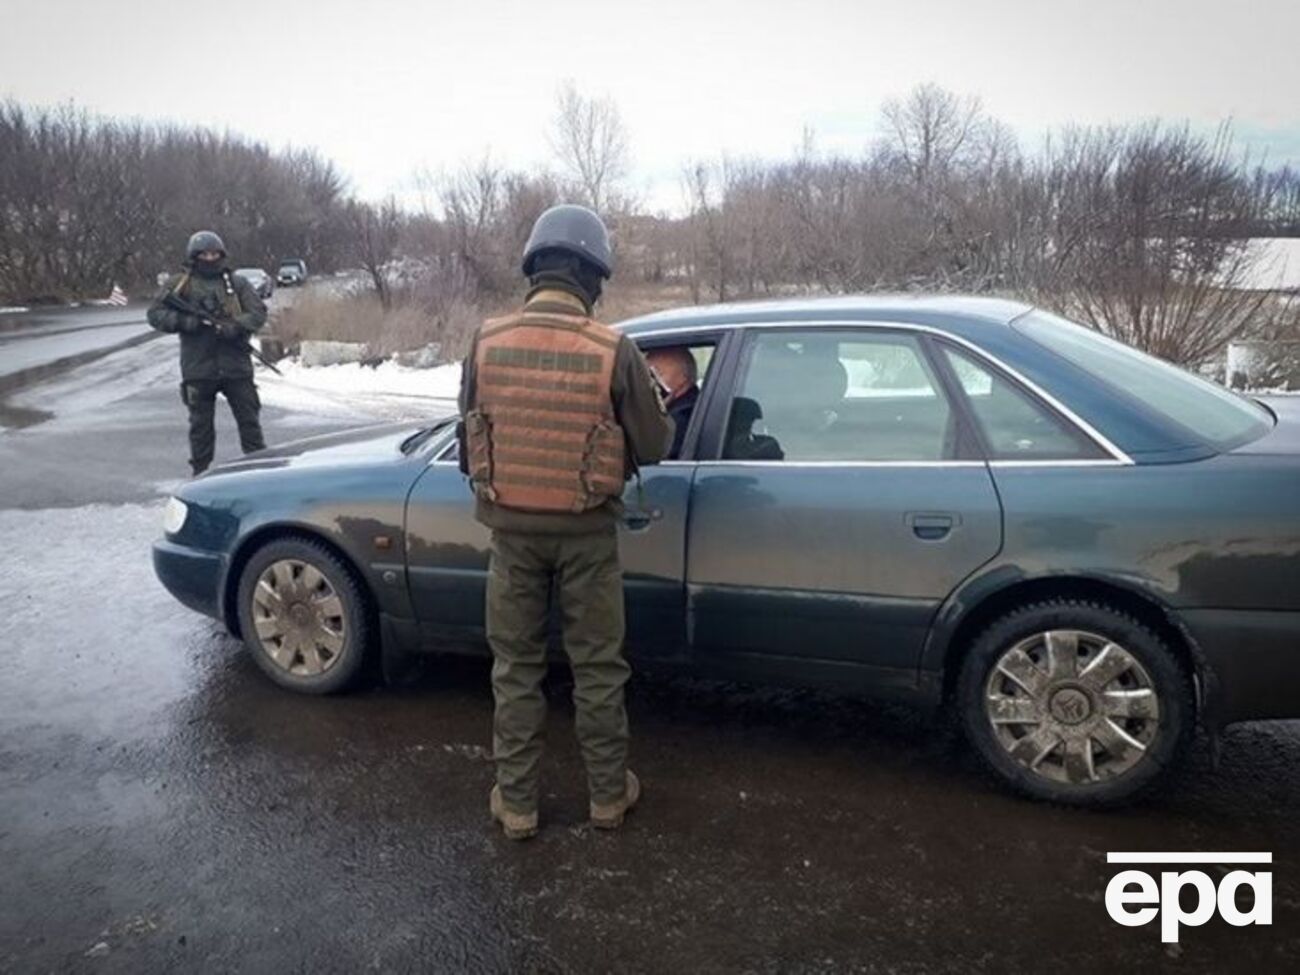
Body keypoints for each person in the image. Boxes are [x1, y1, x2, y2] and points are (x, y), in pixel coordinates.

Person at [458, 204, 672, 840]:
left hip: (512, 537)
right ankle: (608, 798)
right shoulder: (614, 349)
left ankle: (518, 806)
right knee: (598, 670)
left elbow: (469, 430)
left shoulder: (486, 341)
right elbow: (655, 444)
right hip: (587, 539)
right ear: (593, 276)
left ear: (535, 268)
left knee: (516, 671)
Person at [147, 231, 268, 475]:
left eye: (214, 254)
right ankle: (200, 474)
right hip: (198, 367)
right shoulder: (180, 284)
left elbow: (258, 312)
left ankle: (260, 469)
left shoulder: (236, 283)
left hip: (236, 365)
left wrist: (235, 326)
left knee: (250, 423)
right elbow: (155, 314)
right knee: (200, 429)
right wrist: (185, 322)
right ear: (194, 256)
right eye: (204, 254)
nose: (210, 258)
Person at [645, 346, 700, 459]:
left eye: (658, 374)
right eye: (645, 375)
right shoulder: (699, 407)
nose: (650, 382)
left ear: (683, 378)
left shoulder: (679, 419)